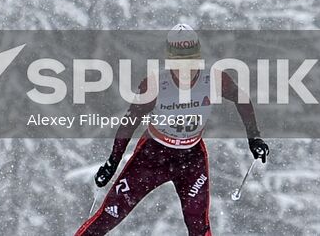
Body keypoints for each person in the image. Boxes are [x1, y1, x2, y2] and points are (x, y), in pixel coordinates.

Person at [73, 25, 269, 236]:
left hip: (191, 159)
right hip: (151, 157)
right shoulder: (156, 84)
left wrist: (254, 138)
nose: (185, 69)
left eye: (191, 62)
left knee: (198, 226)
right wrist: (113, 161)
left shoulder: (213, 79)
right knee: (109, 216)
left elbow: (243, 100)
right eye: (178, 63)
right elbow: (130, 120)